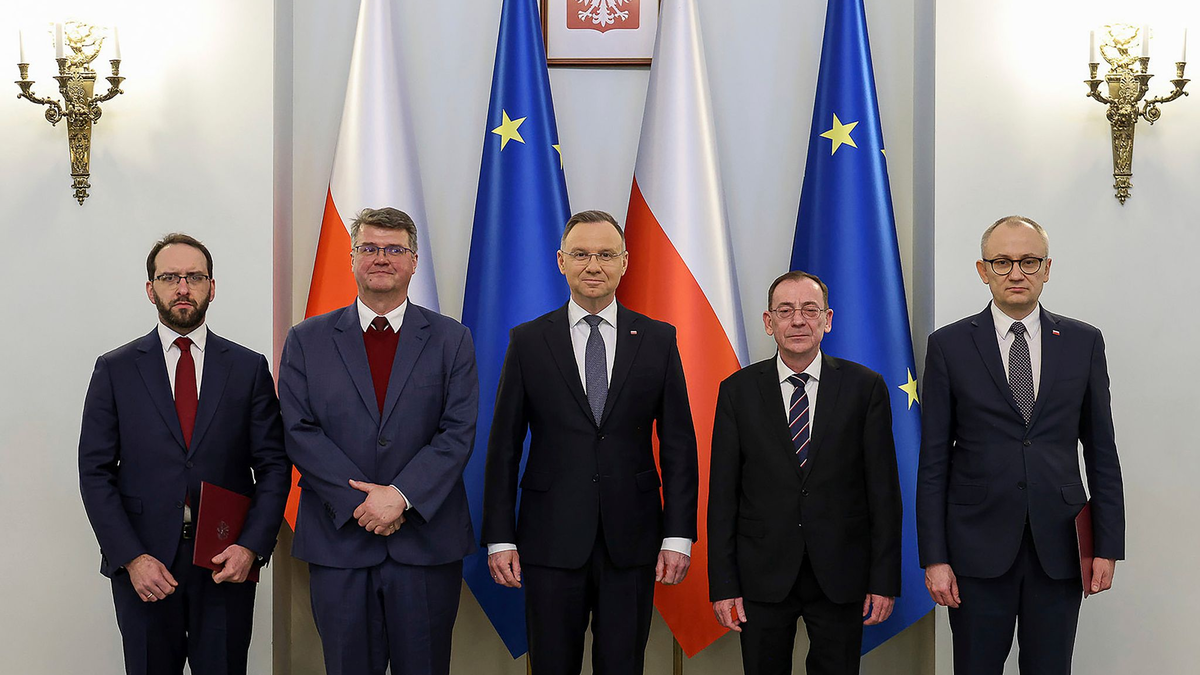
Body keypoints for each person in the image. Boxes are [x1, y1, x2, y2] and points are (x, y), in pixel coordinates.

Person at [481, 210, 698, 675]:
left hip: (633, 540)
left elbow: (679, 445)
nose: (593, 265)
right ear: (561, 261)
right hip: (549, 539)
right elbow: (503, 448)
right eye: (581, 254)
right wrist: (499, 537)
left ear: (625, 262)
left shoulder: (658, 339)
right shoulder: (529, 341)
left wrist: (678, 534)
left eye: (605, 254)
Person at [917, 215, 1125, 675]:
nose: (1016, 272)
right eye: (1002, 262)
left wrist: (1108, 545)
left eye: (1029, 261)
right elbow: (932, 461)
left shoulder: (1083, 342)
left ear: (1047, 269)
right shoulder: (949, 345)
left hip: (1060, 547)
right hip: (975, 549)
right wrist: (935, 557)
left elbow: (1102, 453)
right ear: (983, 270)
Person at [78, 233, 291, 675]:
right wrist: (131, 558)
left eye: (194, 277)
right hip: (145, 566)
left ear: (212, 287)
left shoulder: (248, 368)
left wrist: (251, 547)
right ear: (150, 288)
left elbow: (273, 467)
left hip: (225, 561)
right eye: (169, 277)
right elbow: (95, 472)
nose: (182, 287)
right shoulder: (115, 369)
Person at [278, 207, 478, 675]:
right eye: (369, 248)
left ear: (414, 261)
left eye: (394, 249)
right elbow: (299, 430)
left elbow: (457, 431)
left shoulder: (452, 339)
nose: (381, 258)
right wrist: (363, 504)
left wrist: (400, 497)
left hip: (425, 544)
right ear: (352, 258)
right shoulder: (306, 339)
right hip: (339, 544)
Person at [707, 271, 902, 675]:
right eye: (785, 310)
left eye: (810, 310)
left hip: (841, 573)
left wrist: (883, 580)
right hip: (761, 574)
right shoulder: (737, 391)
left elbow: (883, 492)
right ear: (769, 322)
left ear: (827, 320)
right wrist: (724, 584)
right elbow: (723, 496)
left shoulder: (865, 388)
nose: (798, 320)